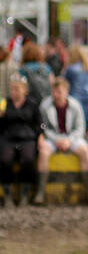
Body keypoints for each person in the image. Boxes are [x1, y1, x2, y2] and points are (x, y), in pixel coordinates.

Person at [35, 75, 88, 205]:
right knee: (43, 152)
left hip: (72, 138)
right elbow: (43, 127)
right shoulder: (45, 105)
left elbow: (80, 128)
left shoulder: (75, 105)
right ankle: (40, 192)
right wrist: (57, 140)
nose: (56, 95)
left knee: (85, 151)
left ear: (66, 91)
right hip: (52, 138)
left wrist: (68, 141)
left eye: (59, 92)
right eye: (54, 91)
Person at [0, 71, 42, 205]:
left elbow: (39, 124)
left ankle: (25, 193)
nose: (14, 92)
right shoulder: (4, 103)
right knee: (5, 159)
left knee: (28, 159)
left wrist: (40, 137)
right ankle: (7, 194)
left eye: (17, 89)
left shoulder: (32, 104)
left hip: (27, 138)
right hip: (8, 138)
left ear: (25, 90)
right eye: (12, 89)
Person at [64, 45, 88, 173]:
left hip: (76, 108)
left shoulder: (70, 70)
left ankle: (80, 167)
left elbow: (64, 88)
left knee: (75, 136)